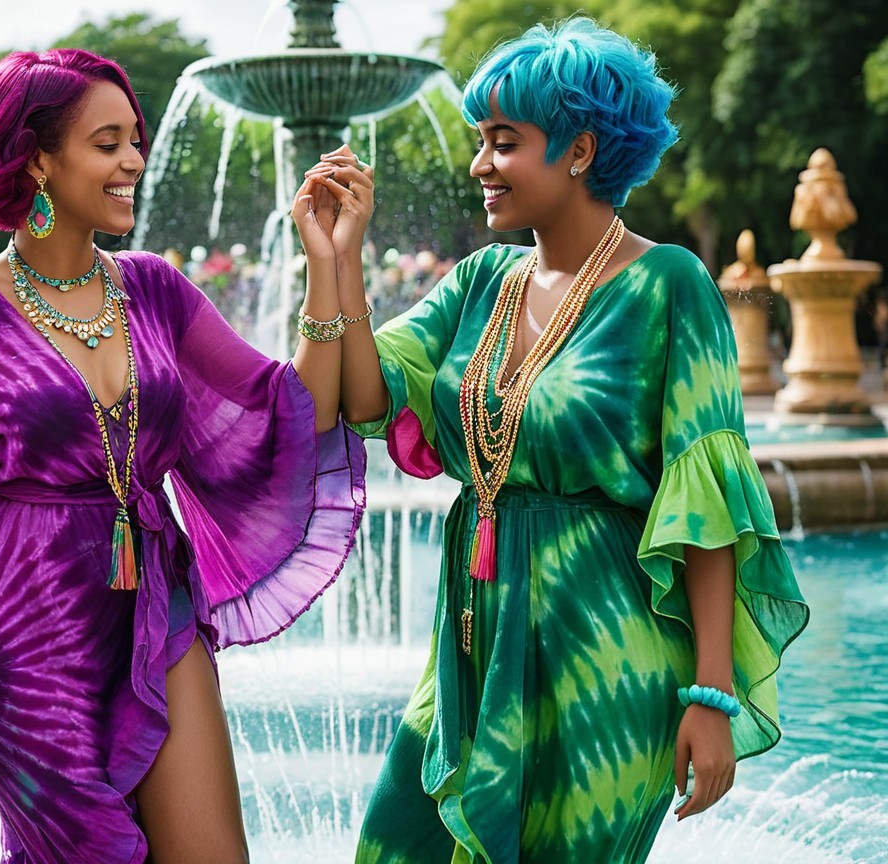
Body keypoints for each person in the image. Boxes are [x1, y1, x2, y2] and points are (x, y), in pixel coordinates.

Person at [0, 48, 370, 863]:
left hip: (155, 601)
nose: (134, 160)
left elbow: (288, 414)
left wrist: (327, 263)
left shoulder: (158, 290)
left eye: (136, 138)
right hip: (22, 628)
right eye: (108, 142)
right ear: (38, 160)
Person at [306, 18, 809, 863]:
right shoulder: (480, 283)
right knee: (398, 842)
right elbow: (360, 394)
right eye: (479, 142)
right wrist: (338, 259)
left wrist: (711, 696)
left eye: (504, 143)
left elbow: (707, 497)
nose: (480, 166)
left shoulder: (668, 285)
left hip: (607, 651)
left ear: (578, 150)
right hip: (474, 640)